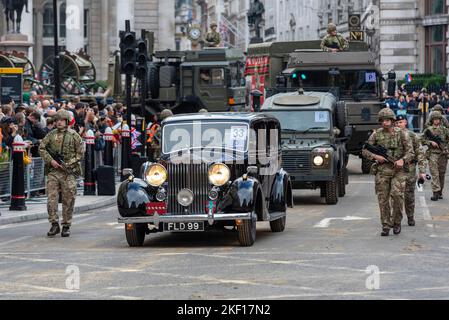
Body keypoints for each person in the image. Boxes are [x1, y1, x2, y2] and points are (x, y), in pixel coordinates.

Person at [362, 108, 414, 236]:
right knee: (383, 199)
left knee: (397, 196)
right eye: (382, 121)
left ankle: (396, 222)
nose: (385, 123)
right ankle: (385, 225)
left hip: (399, 170)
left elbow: (411, 152)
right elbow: (365, 150)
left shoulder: (402, 134)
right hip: (382, 170)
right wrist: (376, 157)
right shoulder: (376, 135)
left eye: (387, 120)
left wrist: (403, 160)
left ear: (392, 120)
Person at [39, 109, 84, 237]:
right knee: (51, 199)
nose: (59, 122)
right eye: (57, 120)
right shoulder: (51, 135)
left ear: (67, 121)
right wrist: (51, 161)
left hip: (68, 172)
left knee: (68, 199)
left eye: (62, 120)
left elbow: (80, 153)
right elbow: (41, 148)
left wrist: (69, 164)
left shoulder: (74, 135)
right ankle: (54, 224)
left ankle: (66, 225)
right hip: (53, 171)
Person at [395, 115, 427, 226]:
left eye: (401, 122)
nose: (398, 124)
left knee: (409, 195)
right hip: (396, 169)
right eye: (397, 122)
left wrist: (422, 171)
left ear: (405, 123)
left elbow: (420, 154)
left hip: (409, 168)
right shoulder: (393, 135)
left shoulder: (413, 136)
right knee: (396, 195)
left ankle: (410, 216)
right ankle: (396, 219)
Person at [421, 111, 449, 201]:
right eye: (434, 119)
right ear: (432, 120)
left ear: (440, 120)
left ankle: (440, 191)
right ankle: (435, 192)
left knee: (441, 174)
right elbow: (421, 139)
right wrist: (430, 142)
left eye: (438, 119)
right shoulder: (429, 130)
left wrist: (446, 148)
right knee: (435, 173)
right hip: (433, 153)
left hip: (443, 154)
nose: (436, 121)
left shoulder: (445, 130)